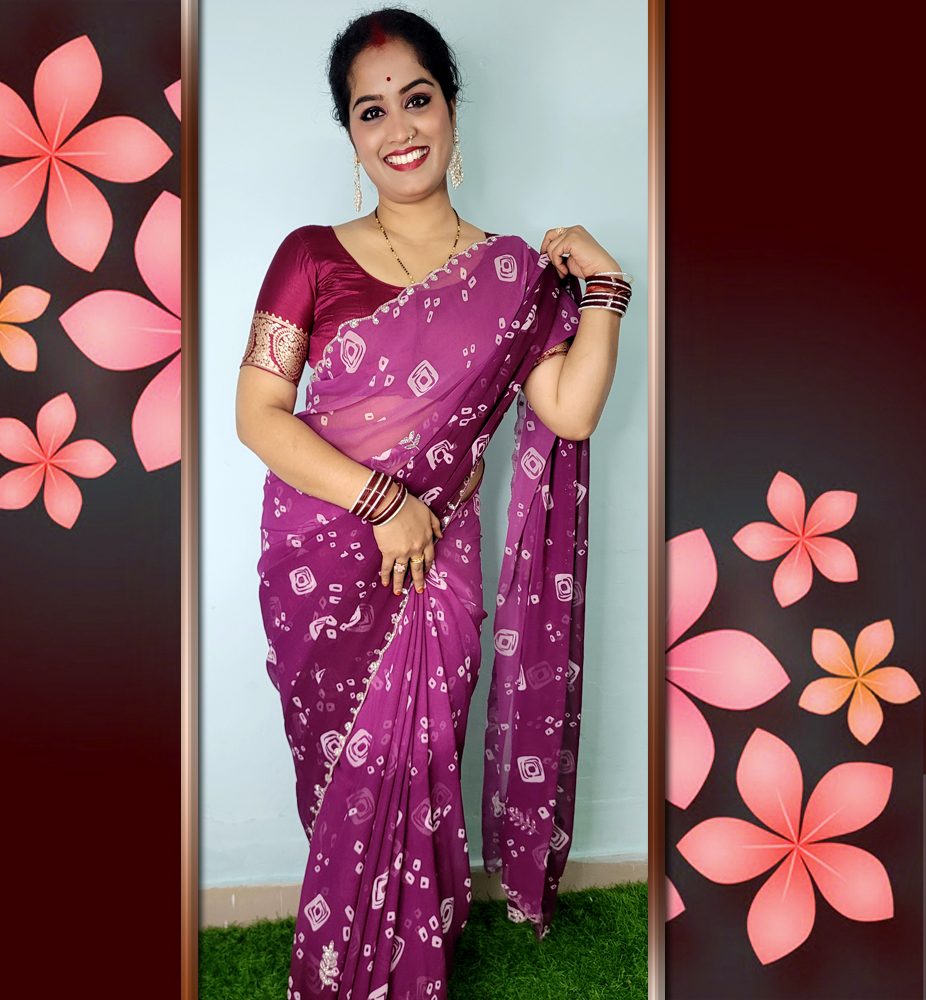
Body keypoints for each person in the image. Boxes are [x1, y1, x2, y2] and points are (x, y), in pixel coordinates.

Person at [235, 10, 631, 999]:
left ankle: (412, 969)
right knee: (340, 773)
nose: (399, 128)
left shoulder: (515, 276)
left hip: (433, 568)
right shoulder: (308, 257)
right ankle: (346, 960)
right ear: (350, 134)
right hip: (320, 559)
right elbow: (257, 414)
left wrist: (606, 291)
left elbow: (569, 410)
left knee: (421, 761)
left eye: (417, 99)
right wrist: (382, 501)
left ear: (452, 109)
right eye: (371, 111)